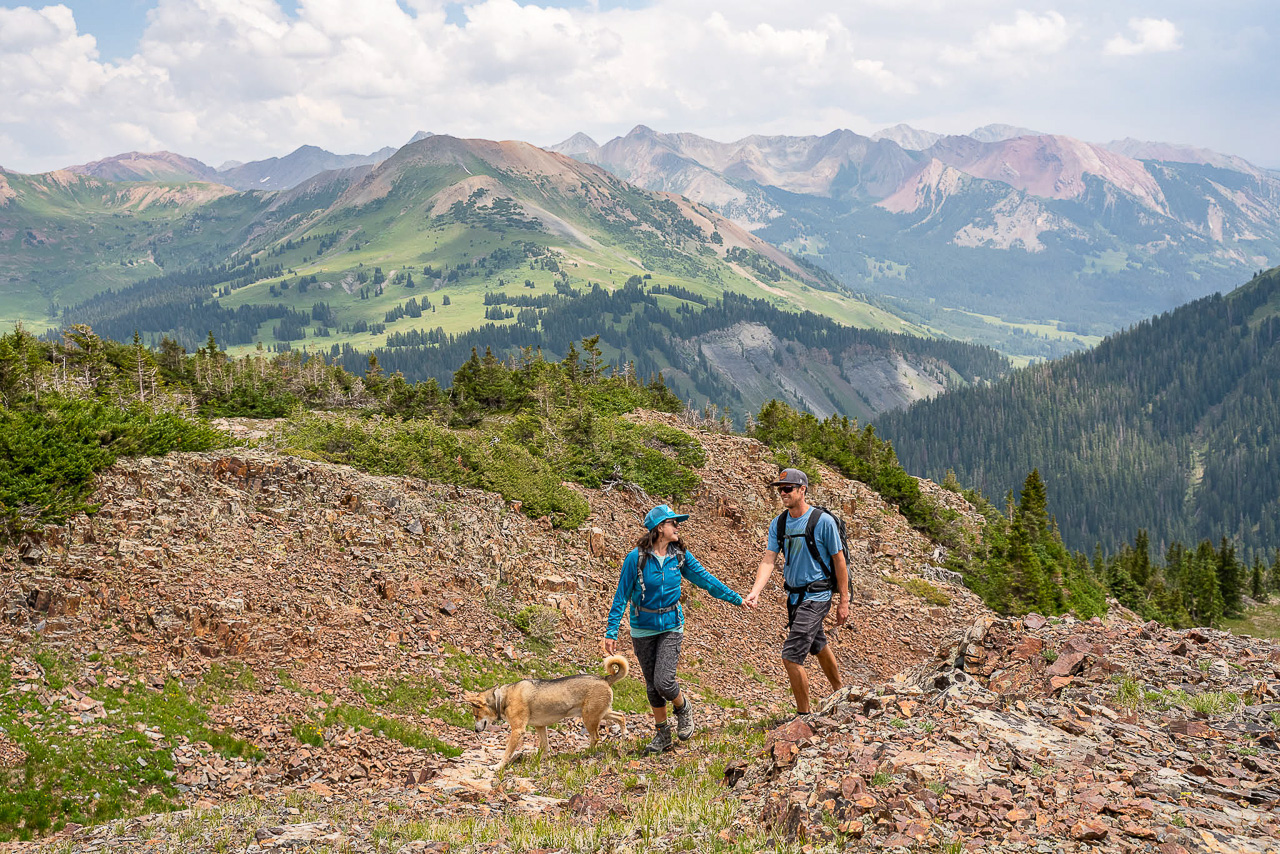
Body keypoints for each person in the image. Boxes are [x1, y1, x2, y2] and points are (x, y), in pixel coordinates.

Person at [604, 504, 746, 754]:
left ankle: (683, 707)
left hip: (671, 625)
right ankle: (662, 734)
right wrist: (611, 631)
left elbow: (706, 580)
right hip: (642, 628)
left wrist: (736, 599)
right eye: (673, 522)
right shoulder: (635, 558)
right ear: (660, 528)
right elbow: (621, 596)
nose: (678, 526)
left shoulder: (679, 555)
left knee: (664, 681)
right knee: (651, 685)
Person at [744, 468, 848, 718]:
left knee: (791, 656)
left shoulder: (823, 521)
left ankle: (804, 717)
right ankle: (842, 692)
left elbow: (839, 561)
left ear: (803, 490)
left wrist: (844, 601)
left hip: (818, 595)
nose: (783, 493)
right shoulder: (779, 523)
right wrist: (755, 592)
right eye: (780, 488)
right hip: (795, 598)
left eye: (788, 488)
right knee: (818, 643)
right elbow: (769, 559)